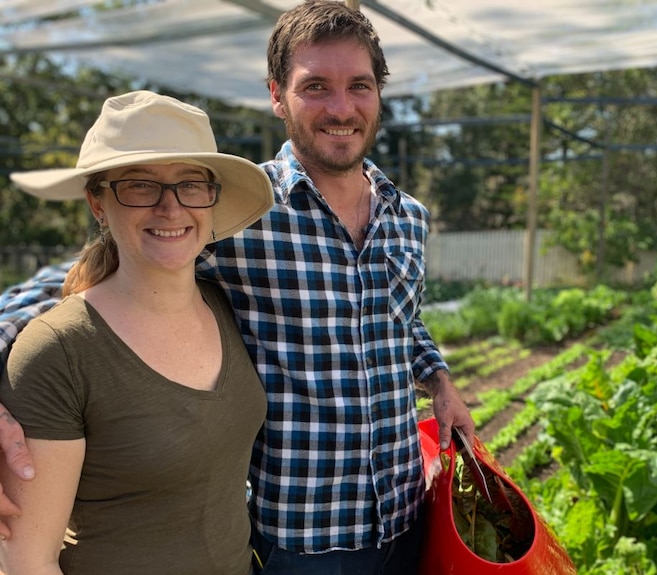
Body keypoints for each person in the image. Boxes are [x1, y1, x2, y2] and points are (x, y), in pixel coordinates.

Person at [0, 1, 475, 574]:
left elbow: (404, 319)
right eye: (316, 87)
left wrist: (439, 379)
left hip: (405, 517)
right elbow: (91, 283)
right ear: (277, 95)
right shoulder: (241, 214)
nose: (342, 107)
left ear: (379, 93)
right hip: (299, 541)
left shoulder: (409, 218)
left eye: (360, 85)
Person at [0, 90, 275, 574]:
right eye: (140, 186)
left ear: (211, 199)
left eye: (190, 184)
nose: (170, 208)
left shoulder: (226, 304)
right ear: (98, 203)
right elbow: (26, 563)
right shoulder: (58, 350)